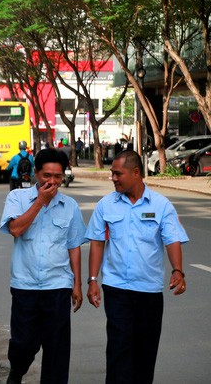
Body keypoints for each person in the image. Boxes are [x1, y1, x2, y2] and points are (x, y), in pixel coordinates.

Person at [85, 150, 188, 384]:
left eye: (117, 174)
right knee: (119, 348)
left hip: (149, 290)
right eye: (112, 173)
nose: (113, 178)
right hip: (116, 288)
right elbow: (98, 243)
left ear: (136, 173)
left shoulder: (161, 205)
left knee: (145, 351)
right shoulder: (106, 205)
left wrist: (177, 270)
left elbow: (171, 239)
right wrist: (92, 280)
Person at [0, 148, 85, 384]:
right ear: (36, 173)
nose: (53, 181)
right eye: (47, 175)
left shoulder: (70, 206)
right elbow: (15, 229)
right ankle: (16, 373)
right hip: (25, 285)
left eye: (58, 176)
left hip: (58, 286)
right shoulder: (17, 198)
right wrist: (40, 201)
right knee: (23, 344)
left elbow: (74, 245)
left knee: (57, 350)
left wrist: (77, 284)